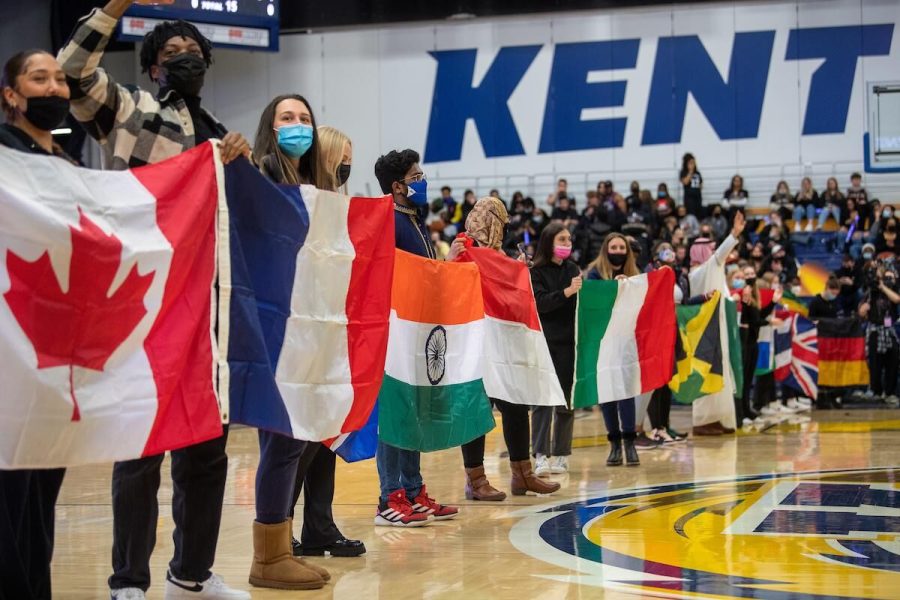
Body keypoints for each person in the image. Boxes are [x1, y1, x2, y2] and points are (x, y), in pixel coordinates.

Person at [58, 2, 252, 597]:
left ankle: (190, 575)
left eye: (191, 51)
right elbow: (71, 74)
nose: (184, 58)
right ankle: (128, 582)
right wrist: (113, 7)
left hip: (206, 308)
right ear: (151, 71)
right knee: (140, 444)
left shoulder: (220, 135)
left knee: (206, 448)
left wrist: (240, 169)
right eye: (170, 55)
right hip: (142, 300)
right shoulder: (130, 111)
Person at [249, 101, 358, 592]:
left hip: (313, 326)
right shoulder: (263, 175)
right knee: (283, 438)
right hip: (278, 325)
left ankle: (282, 545)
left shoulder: (318, 191)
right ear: (269, 127)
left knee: (301, 435)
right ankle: (269, 554)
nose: (298, 126)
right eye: (287, 118)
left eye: (304, 118)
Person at [0, 48, 73, 600]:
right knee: (10, 498)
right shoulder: (3, 157)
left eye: (59, 80)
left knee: (41, 500)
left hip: (56, 357)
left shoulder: (70, 169)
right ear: (11, 95)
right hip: (8, 354)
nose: (52, 88)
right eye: (38, 78)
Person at [372, 149, 459, 525]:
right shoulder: (388, 219)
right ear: (398, 185)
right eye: (416, 176)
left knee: (412, 414)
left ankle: (412, 490)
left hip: (418, 329)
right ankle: (388, 497)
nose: (423, 181)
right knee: (395, 413)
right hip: (396, 328)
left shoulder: (415, 220)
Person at [455, 198, 561, 498]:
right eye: (497, 220)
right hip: (475, 341)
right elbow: (452, 283)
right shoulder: (463, 246)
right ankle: (475, 480)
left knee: (516, 404)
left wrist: (517, 272)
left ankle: (522, 475)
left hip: (503, 343)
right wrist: (451, 260)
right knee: (478, 409)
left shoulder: (501, 255)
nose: (500, 226)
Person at [586, 233, 642, 466]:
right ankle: (615, 443)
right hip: (603, 341)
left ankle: (630, 441)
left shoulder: (636, 275)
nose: (618, 250)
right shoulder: (593, 272)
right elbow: (592, 302)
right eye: (614, 246)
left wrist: (627, 288)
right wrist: (612, 288)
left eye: (622, 247)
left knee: (627, 392)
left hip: (627, 341)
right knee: (607, 393)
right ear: (605, 249)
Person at [530, 223, 580, 474]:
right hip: (544, 342)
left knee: (566, 401)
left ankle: (561, 453)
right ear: (549, 242)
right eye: (562, 239)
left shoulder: (573, 268)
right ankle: (540, 454)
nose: (567, 244)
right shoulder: (536, 271)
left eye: (569, 239)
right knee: (542, 400)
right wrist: (567, 292)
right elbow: (540, 304)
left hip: (570, 343)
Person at [643, 241, 693, 444]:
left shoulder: (679, 276)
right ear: (656, 255)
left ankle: (665, 426)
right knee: (656, 382)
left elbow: (684, 301)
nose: (669, 252)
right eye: (664, 248)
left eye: (671, 248)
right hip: (655, 332)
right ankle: (655, 427)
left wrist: (703, 298)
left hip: (673, 330)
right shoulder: (649, 275)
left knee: (667, 380)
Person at [735, 266, 780, 423]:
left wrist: (773, 302)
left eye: (752, 273)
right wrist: (768, 322)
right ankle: (740, 412)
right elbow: (752, 320)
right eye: (746, 274)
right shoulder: (743, 296)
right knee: (743, 379)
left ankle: (747, 409)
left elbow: (758, 315)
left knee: (748, 379)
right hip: (745, 342)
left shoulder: (754, 296)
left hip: (752, 341)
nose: (750, 276)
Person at [859, 264, 900, 404]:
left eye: (891, 277)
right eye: (885, 277)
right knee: (875, 363)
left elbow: (896, 299)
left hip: (890, 329)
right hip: (875, 329)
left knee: (892, 362)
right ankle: (876, 391)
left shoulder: (893, 289)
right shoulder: (872, 291)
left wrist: (884, 287)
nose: (888, 279)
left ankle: (889, 393)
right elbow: (861, 311)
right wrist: (863, 310)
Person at [680, 153, 703, 218]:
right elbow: (685, 182)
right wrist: (690, 171)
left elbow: (701, 184)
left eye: (693, 162)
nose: (693, 164)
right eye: (691, 163)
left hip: (698, 197)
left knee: (698, 214)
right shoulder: (683, 172)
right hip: (689, 198)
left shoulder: (698, 173)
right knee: (691, 215)